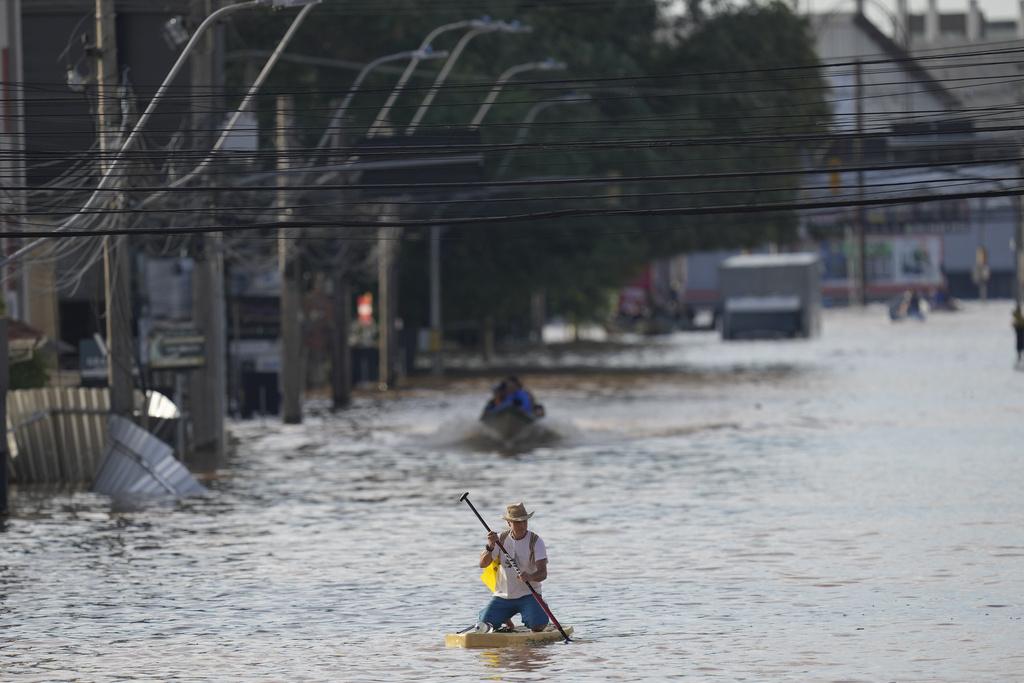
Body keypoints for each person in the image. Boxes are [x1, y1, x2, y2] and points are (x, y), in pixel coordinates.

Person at [477, 502, 549, 633]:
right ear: (508, 523)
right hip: (503, 596)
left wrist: (530, 576)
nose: (521, 525)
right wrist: (491, 546)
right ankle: (503, 616)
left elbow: (543, 574)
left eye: (524, 521)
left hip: (529, 595)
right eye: (517, 522)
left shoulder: (536, 541)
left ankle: (540, 608)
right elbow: (483, 564)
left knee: (537, 625)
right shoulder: (499, 539)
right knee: (485, 626)